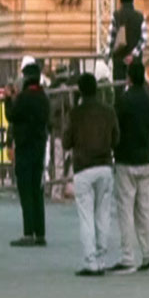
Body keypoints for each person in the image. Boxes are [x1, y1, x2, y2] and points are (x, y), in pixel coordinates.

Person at [62, 72, 119, 276]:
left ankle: (90, 261)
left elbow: (66, 141)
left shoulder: (75, 114)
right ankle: (102, 257)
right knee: (103, 214)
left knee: (86, 216)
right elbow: (116, 139)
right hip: (105, 166)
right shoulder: (108, 111)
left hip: (83, 168)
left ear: (80, 91)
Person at [113, 59, 149, 274]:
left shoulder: (122, 101)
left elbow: (116, 128)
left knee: (125, 211)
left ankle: (127, 257)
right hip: (145, 160)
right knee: (146, 212)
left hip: (125, 160)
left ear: (129, 77)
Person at [6, 62, 50, 247]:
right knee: (37, 189)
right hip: (39, 147)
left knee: (25, 190)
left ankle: (28, 232)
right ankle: (40, 232)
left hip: (24, 147)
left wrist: (8, 99)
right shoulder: (43, 98)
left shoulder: (23, 98)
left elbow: (11, 116)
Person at [109, 0, 146, 83]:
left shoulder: (116, 15)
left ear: (120, 1)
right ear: (132, 0)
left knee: (119, 89)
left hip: (119, 60)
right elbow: (144, 39)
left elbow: (111, 38)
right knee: (136, 87)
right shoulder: (140, 16)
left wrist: (108, 54)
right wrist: (133, 55)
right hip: (135, 63)